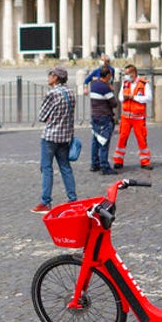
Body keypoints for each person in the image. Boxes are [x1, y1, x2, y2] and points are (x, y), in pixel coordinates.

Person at [32, 67, 78, 213]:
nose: (48, 77)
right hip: (65, 136)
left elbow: (42, 116)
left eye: (50, 74)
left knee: (46, 168)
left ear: (56, 77)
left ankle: (46, 202)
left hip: (51, 136)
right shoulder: (71, 93)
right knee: (65, 168)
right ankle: (73, 199)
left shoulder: (52, 94)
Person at [113, 64, 153, 170]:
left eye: (127, 74)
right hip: (126, 116)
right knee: (122, 138)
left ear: (133, 73)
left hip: (138, 117)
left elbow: (149, 98)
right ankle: (118, 161)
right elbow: (120, 97)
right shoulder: (125, 83)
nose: (125, 76)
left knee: (141, 139)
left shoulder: (144, 84)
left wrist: (133, 97)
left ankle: (145, 161)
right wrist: (125, 98)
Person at [88, 66, 118, 176]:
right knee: (104, 141)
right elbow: (114, 103)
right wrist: (111, 89)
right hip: (104, 116)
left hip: (94, 115)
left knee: (95, 140)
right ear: (108, 75)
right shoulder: (105, 87)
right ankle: (104, 166)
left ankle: (94, 164)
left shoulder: (94, 84)